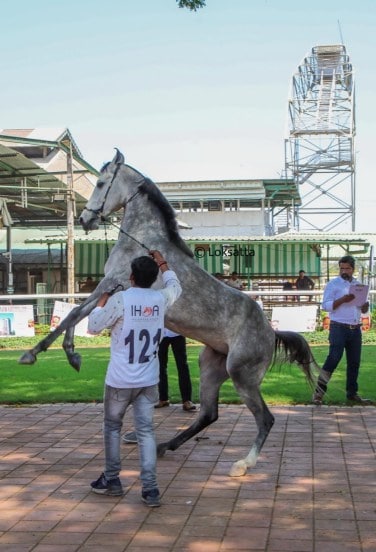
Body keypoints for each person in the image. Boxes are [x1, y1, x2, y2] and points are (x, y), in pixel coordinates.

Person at [88, 250, 182, 507]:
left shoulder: (120, 300)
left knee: (112, 428)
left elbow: (93, 326)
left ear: (131, 277)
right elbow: (176, 285)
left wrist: (102, 300)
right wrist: (163, 262)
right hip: (148, 379)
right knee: (146, 432)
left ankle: (112, 480)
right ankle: (150, 489)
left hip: (119, 379)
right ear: (153, 278)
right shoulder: (161, 298)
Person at [312, 255, 371, 406]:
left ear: (353, 269)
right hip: (338, 327)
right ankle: (319, 392)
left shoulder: (358, 285)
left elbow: (362, 309)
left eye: (347, 268)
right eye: (341, 268)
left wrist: (364, 307)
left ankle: (352, 394)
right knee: (333, 359)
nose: (344, 271)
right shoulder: (333, 284)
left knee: (354, 363)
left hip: (355, 328)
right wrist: (343, 300)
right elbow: (325, 305)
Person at [155, 329, 196, 411]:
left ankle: (187, 401)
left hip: (177, 332)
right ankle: (163, 399)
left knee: (182, 366)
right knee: (160, 367)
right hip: (160, 334)